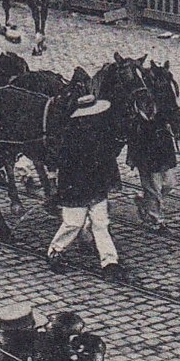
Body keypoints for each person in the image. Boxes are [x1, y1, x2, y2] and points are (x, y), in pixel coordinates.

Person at [46, 95, 126, 282]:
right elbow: (61, 162)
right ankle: (55, 251)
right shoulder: (70, 136)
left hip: (95, 187)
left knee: (100, 224)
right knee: (73, 223)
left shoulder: (101, 134)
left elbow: (108, 161)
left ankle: (109, 262)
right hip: (76, 188)